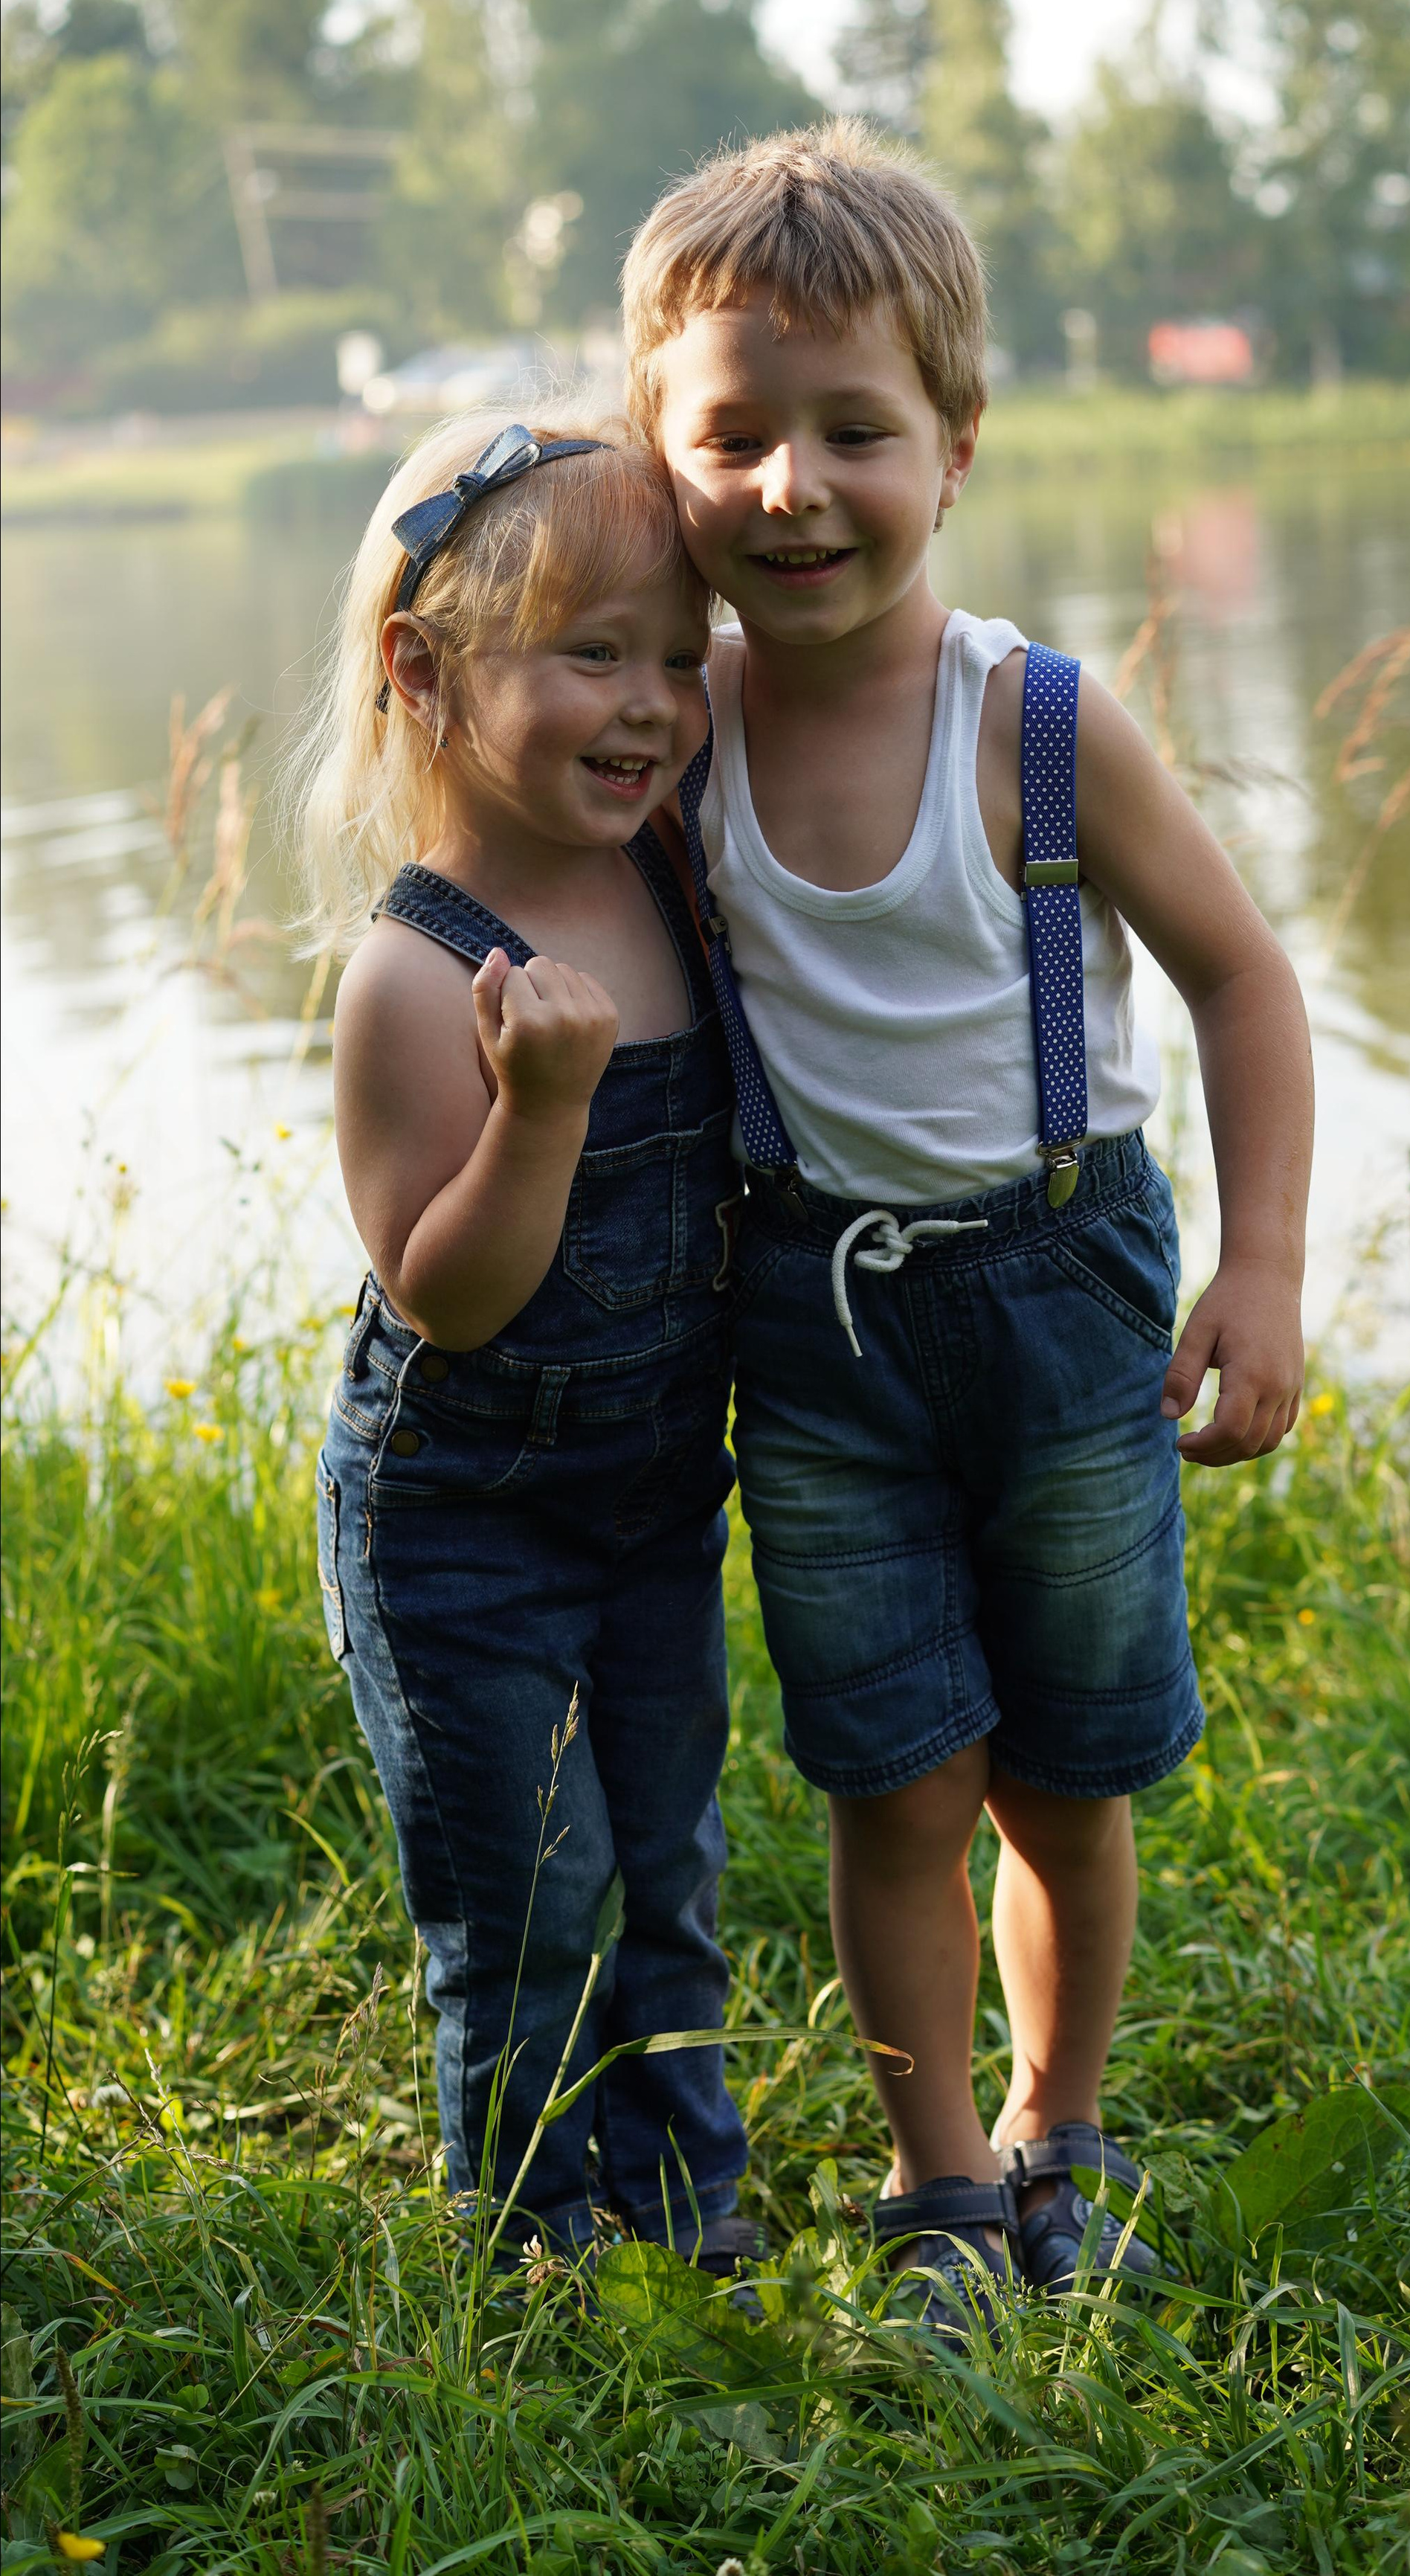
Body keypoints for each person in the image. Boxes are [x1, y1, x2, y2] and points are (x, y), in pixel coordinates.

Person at [620, 121, 1315, 2331]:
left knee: (1061, 1773)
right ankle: (938, 2187)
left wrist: (1268, 1262)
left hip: (1062, 1293)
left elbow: (1243, 977)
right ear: (656, 451)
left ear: (960, 449)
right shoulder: (673, 741)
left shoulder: (1035, 724)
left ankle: (1060, 2125)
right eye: (729, 437)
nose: (790, 490)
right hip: (812, 1324)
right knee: (890, 1770)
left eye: (855, 434)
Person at [291, 410, 757, 2272]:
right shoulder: (413, 974)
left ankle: (688, 2215)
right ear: (423, 670)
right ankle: (548, 2249)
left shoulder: (666, 870)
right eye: (590, 656)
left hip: (651, 1503)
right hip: (459, 1526)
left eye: (671, 654)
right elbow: (447, 1289)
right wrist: (542, 1110)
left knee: (668, 1869)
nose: (649, 705)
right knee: (526, 1894)